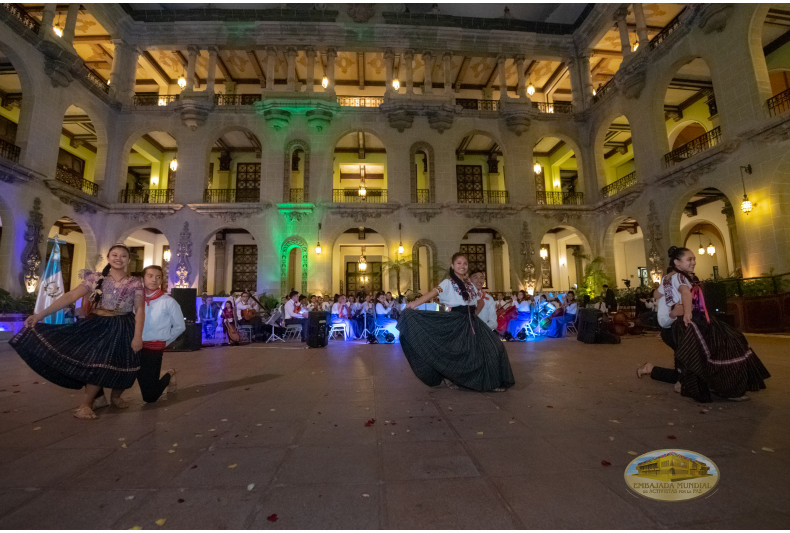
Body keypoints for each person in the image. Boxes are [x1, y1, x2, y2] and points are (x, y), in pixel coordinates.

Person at [10, 243, 144, 420]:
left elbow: (140, 310)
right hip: (97, 324)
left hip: (122, 325)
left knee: (123, 362)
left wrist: (137, 337)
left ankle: (114, 397)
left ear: (129, 259)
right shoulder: (95, 278)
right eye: (115, 255)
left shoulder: (135, 282)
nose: (118, 258)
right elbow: (70, 296)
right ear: (109, 258)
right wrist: (39, 315)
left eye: (123, 256)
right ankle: (86, 405)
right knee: (97, 363)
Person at [637, 246, 770, 402]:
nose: (693, 262)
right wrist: (685, 313)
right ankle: (717, 386)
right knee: (715, 351)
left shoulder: (670, 277)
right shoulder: (680, 277)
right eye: (689, 259)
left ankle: (655, 371)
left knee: (693, 362)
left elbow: (656, 294)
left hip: (677, 327)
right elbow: (685, 293)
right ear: (677, 263)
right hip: (685, 325)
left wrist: (669, 307)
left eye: (694, 259)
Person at [397, 252, 515, 392]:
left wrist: (474, 316)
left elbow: (480, 303)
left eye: (465, 263)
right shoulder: (447, 283)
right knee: (457, 354)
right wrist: (412, 305)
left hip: (471, 320)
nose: (462, 266)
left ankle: (491, 380)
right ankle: (456, 378)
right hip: (455, 321)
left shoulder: (469, 284)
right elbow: (431, 294)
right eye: (459, 263)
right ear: (453, 266)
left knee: (495, 346)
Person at [138, 265, 183, 403]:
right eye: (150, 276)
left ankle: (169, 374)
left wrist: (164, 342)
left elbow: (180, 326)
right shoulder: (135, 300)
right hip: (134, 346)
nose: (154, 280)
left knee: (150, 397)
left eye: (158, 277)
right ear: (142, 279)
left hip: (153, 349)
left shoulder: (168, 302)